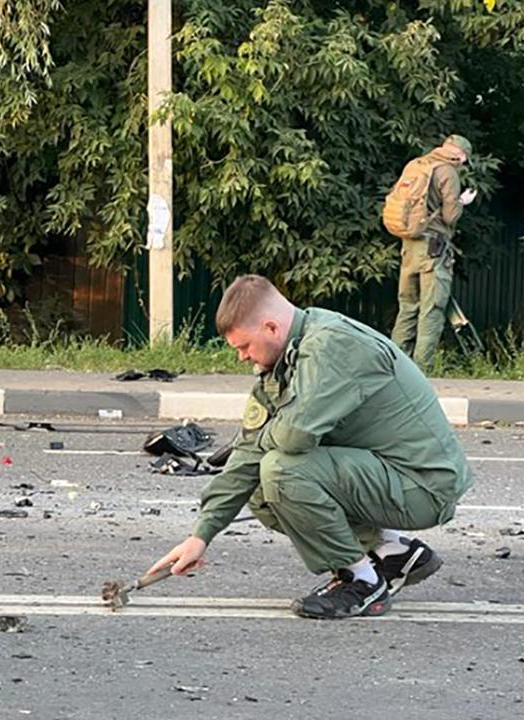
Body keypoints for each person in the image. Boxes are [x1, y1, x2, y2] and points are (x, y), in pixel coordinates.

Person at [146, 275, 473, 619]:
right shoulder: (286, 358)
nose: (242, 357)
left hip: (423, 485)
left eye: (244, 346)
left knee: (281, 470)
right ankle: (390, 551)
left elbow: (293, 437)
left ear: (271, 327)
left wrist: (262, 440)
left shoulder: (331, 346)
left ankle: (361, 581)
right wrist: (201, 536)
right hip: (387, 474)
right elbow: (247, 452)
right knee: (258, 482)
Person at [388, 134, 478, 370]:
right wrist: (461, 202)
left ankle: (396, 368)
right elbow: (450, 216)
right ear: (460, 155)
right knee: (432, 309)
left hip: (409, 245)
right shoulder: (447, 172)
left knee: (407, 307)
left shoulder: (416, 165)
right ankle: (421, 370)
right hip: (434, 249)